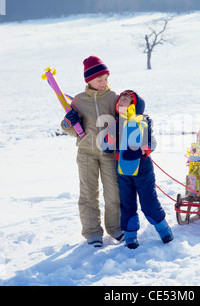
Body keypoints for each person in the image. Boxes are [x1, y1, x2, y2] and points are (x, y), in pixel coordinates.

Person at [60, 55, 123, 247]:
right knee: (88, 193)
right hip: (86, 152)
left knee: (114, 192)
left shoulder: (114, 98)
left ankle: (115, 227)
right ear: (88, 80)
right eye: (99, 80)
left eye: (106, 79)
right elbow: (71, 129)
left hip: (109, 153)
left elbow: (124, 120)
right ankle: (92, 232)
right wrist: (67, 123)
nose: (104, 83)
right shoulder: (78, 101)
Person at [103, 90, 174, 249]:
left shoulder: (143, 121)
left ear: (134, 105)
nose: (121, 100)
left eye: (126, 99)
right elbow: (106, 146)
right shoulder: (115, 123)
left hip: (142, 168)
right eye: (121, 98)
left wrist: (141, 150)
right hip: (123, 169)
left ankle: (163, 228)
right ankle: (130, 235)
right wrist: (111, 139)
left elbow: (152, 143)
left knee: (148, 201)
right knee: (127, 203)